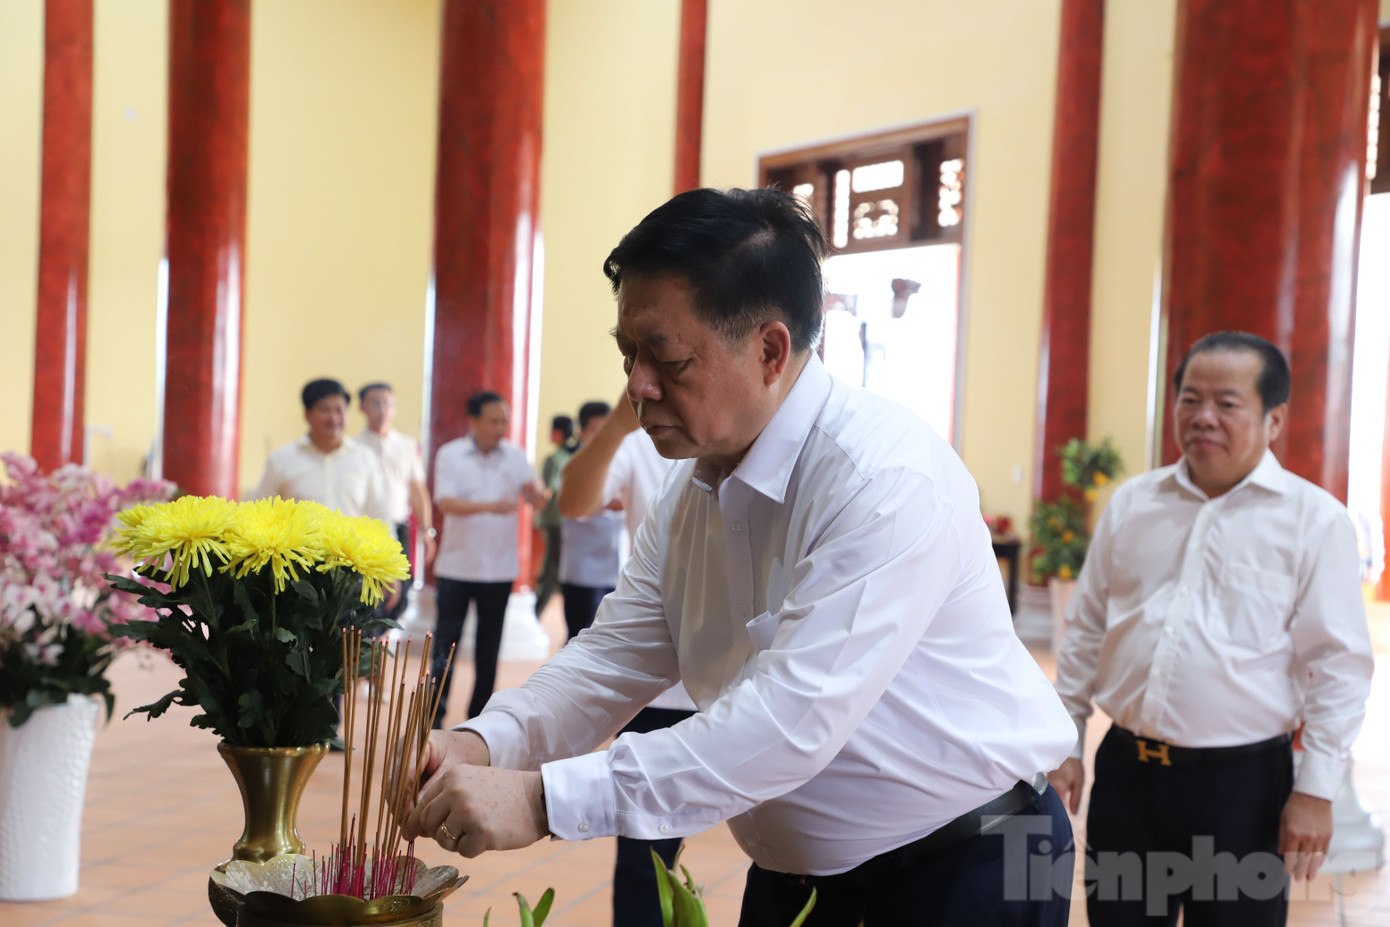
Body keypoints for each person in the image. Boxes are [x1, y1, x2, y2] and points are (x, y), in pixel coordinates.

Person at [403, 187, 1077, 927]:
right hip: (801, 875)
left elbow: (789, 721)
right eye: (628, 354)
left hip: (963, 863)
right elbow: (610, 657)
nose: (637, 386)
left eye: (667, 358)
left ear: (770, 351)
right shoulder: (693, 489)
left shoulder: (882, 479)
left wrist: (544, 799)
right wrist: (479, 743)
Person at [1048, 331, 1375, 926]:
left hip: (1242, 791)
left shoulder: (1314, 521)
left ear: (1274, 420)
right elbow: (1087, 627)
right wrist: (1064, 740)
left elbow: (1339, 665)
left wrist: (1316, 789)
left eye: (1227, 403)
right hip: (1128, 777)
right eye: (1190, 399)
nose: (1203, 417)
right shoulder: (1133, 504)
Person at [557, 392, 697, 927]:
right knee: (646, 852)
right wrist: (616, 427)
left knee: (784, 855)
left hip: (756, 684)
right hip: (662, 683)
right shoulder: (643, 444)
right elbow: (574, 502)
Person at [431, 391, 548, 727]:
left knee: (489, 647)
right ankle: (434, 714)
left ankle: (478, 718)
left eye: (504, 421)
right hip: (456, 566)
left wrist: (539, 493)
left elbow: (537, 498)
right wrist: (490, 506)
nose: (500, 428)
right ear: (473, 421)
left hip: (498, 568)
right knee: (445, 644)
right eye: (493, 421)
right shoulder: (451, 454)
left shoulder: (515, 456)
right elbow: (446, 502)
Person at [251, 378, 390, 522]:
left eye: (340, 410)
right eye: (325, 410)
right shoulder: (280, 460)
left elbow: (380, 514)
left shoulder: (365, 458)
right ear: (307, 414)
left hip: (351, 538)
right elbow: (260, 514)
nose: (334, 418)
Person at [357, 382, 435, 628]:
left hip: (399, 528)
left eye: (388, 403)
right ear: (362, 407)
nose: (383, 409)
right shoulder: (353, 448)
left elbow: (418, 490)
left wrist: (427, 530)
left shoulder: (407, 446)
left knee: (400, 596)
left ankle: (378, 639)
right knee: (368, 596)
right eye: (376, 403)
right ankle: (367, 642)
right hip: (365, 531)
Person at [557, 400, 622, 641]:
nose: (604, 438)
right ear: (582, 432)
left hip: (615, 569)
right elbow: (570, 505)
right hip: (583, 571)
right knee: (580, 638)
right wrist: (606, 503)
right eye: (597, 431)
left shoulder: (621, 463)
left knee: (610, 638)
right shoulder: (573, 465)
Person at [533, 415, 575, 618]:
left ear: (557, 433)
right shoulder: (571, 457)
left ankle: (536, 613)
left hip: (552, 520)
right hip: (566, 519)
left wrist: (534, 504)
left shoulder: (554, 459)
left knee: (551, 568)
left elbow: (546, 491)